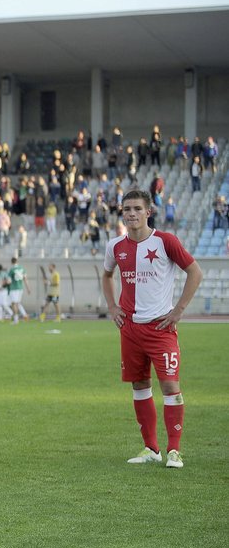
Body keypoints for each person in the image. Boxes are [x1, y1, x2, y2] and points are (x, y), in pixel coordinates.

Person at [100, 190, 203, 469]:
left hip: (160, 328)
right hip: (130, 329)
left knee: (170, 386)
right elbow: (107, 275)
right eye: (126, 209)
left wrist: (178, 310)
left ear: (149, 212)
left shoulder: (165, 241)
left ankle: (174, 451)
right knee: (140, 385)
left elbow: (195, 271)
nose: (131, 214)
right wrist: (112, 306)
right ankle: (151, 448)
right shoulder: (115, 246)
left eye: (136, 208)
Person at [7, 256, 30, 323]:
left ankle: (16, 320)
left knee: (14, 304)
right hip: (20, 288)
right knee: (18, 303)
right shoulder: (22, 268)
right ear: (17, 261)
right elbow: (25, 279)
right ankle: (25, 315)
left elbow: (9, 281)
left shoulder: (12, 270)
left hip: (14, 288)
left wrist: (5, 283)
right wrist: (28, 288)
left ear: (11, 262)